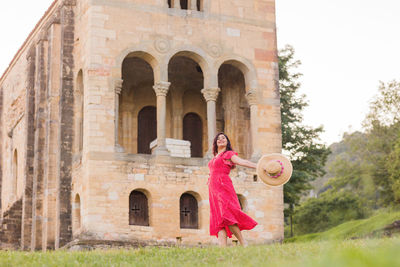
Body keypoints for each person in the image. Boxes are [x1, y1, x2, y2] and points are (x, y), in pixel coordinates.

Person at [207, 132, 258, 247]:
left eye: (223, 138)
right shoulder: (215, 157)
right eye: (218, 138)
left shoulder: (228, 154)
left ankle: (243, 242)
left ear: (227, 142)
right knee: (219, 219)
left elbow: (243, 162)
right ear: (215, 142)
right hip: (213, 189)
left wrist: (258, 166)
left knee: (227, 214)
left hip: (223, 186)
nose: (221, 139)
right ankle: (223, 249)